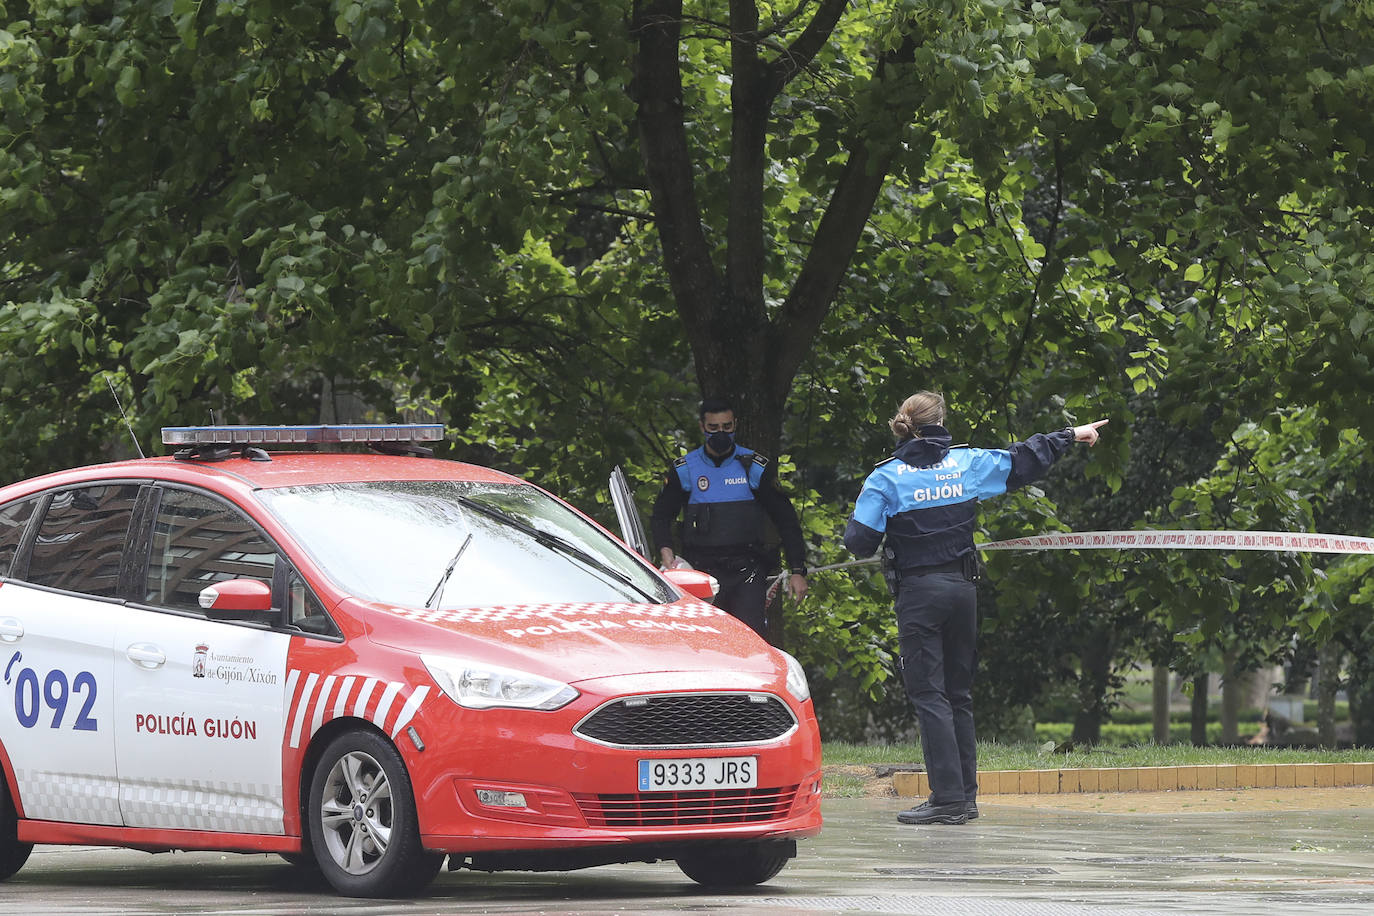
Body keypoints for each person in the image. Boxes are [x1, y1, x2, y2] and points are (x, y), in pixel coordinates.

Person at [843, 391, 1107, 825]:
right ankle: (964, 797)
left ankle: (946, 799)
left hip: (920, 594)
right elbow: (1021, 459)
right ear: (941, 422)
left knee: (930, 695)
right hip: (964, 590)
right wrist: (1070, 435)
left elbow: (859, 542)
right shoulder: (967, 464)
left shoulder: (886, 479)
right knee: (959, 695)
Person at [651, 397, 809, 641]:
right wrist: (665, 550)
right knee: (705, 642)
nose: (721, 433)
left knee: (750, 642)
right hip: (701, 573)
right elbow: (661, 516)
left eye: (727, 427)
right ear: (703, 427)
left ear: (735, 425)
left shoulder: (753, 467)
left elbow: (786, 520)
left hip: (747, 571)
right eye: (714, 428)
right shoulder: (686, 469)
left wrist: (798, 570)